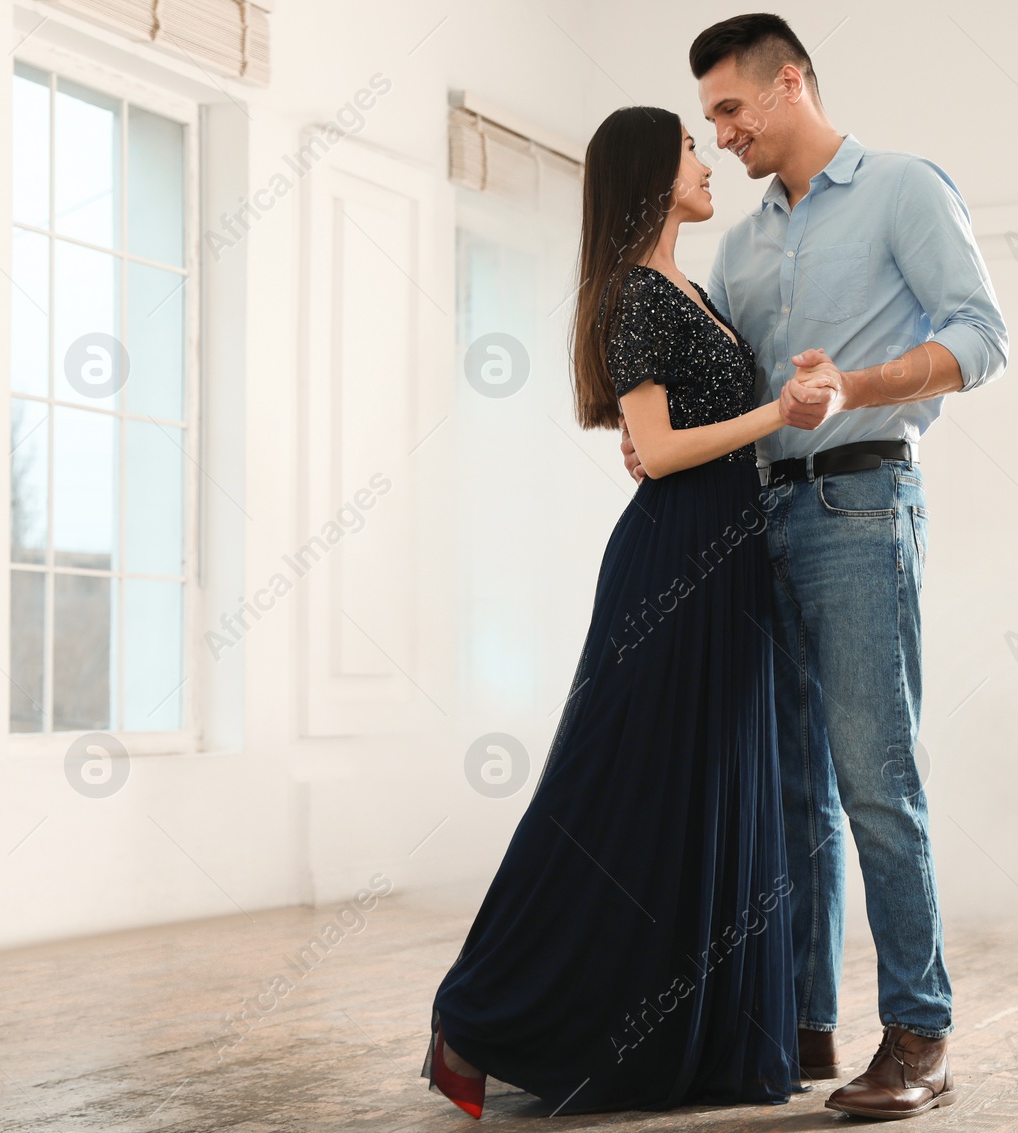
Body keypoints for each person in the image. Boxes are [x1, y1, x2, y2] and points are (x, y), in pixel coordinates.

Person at [619, 13, 1010, 1120]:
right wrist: (645, 430)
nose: (722, 133)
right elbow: (723, 392)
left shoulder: (902, 189)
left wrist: (857, 387)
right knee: (792, 791)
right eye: (710, 120)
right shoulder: (738, 249)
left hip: (860, 504)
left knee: (873, 778)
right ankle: (801, 1021)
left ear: (788, 84)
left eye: (730, 110)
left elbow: (982, 338)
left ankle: (919, 1032)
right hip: (754, 522)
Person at [421, 106, 836, 1119]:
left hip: (722, 560)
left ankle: (697, 1038)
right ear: (654, 172)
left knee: (703, 795)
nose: (708, 163)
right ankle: (473, 1017)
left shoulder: (687, 288)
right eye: (693, 150)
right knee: (612, 788)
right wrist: (776, 415)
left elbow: (675, 438)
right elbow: (656, 447)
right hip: (674, 563)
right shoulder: (637, 295)